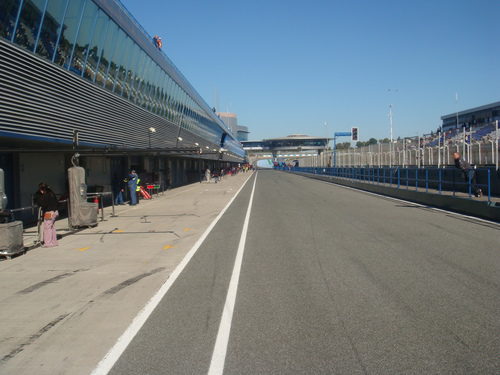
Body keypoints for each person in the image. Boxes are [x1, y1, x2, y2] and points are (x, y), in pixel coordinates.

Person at [36, 183, 59, 247]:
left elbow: (43, 204)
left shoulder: (46, 195)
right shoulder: (52, 193)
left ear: (42, 189)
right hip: (55, 212)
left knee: (47, 228)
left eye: (41, 190)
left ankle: (48, 243)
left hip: (49, 213)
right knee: (52, 227)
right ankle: (54, 242)